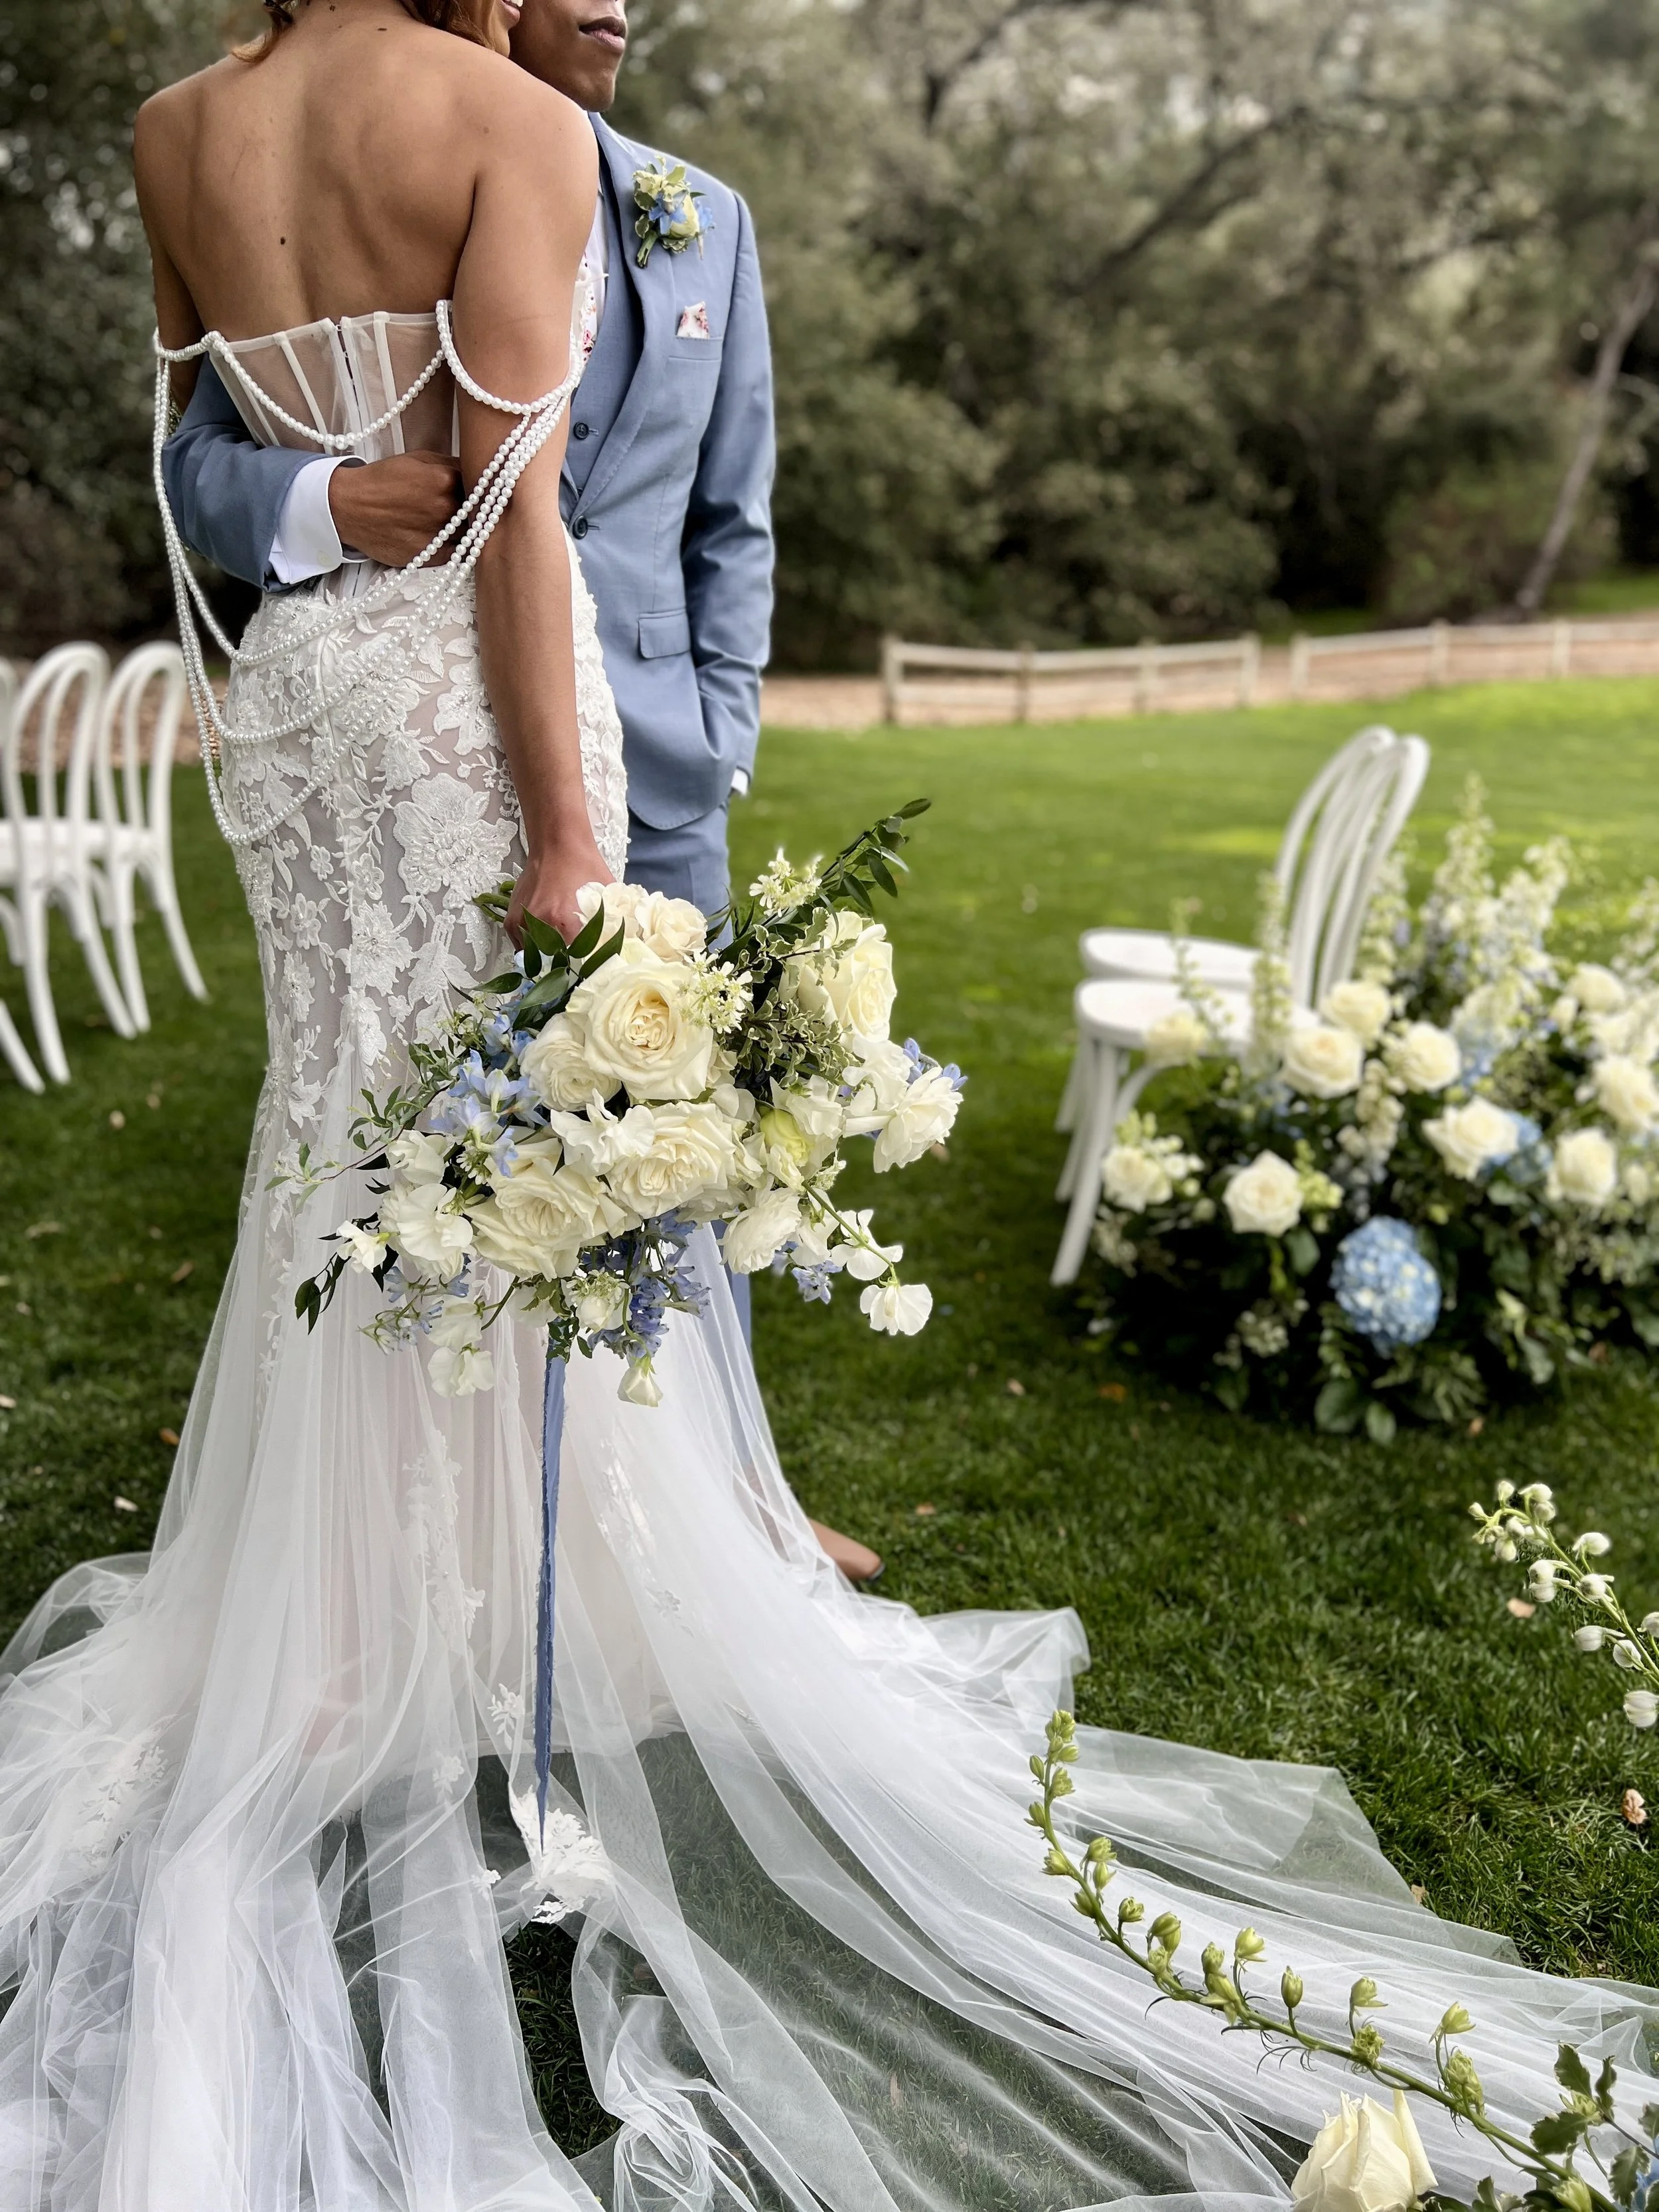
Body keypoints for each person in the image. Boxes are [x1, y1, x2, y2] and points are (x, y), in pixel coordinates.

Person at [0, 0, 1649, 2202]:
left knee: (347, 1140)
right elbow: (509, 522)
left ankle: (372, 1599)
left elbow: (194, 456)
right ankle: (507, 1595)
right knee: (513, 1163)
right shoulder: (502, 121)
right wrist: (574, 847)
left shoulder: (171, 122)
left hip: (291, 718)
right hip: (462, 708)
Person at [159, 0, 883, 1582]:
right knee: (421, 1127)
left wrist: (721, 724)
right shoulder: (448, 144)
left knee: (682, 1133)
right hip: (448, 735)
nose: (612, 1)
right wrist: (326, 495)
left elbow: (731, 513)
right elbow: (199, 458)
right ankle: (490, 1543)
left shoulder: (707, 222)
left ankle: (720, 1506)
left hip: (653, 758)